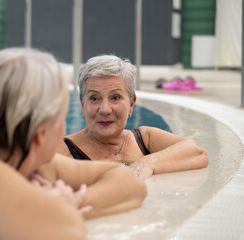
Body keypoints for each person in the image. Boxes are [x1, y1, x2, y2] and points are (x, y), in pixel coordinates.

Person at [0, 48, 147, 240]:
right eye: (61, 117)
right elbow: (66, 233)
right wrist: (56, 209)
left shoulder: (38, 162)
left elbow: (130, 183)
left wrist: (71, 202)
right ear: (42, 133)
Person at [57, 54, 209, 179]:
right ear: (83, 106)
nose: (105, 109)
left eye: (115, 97)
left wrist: (147, 163)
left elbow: (197, 152)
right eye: (94, 98)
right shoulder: (64, 150)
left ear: (131, 104)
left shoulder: (145, 139)